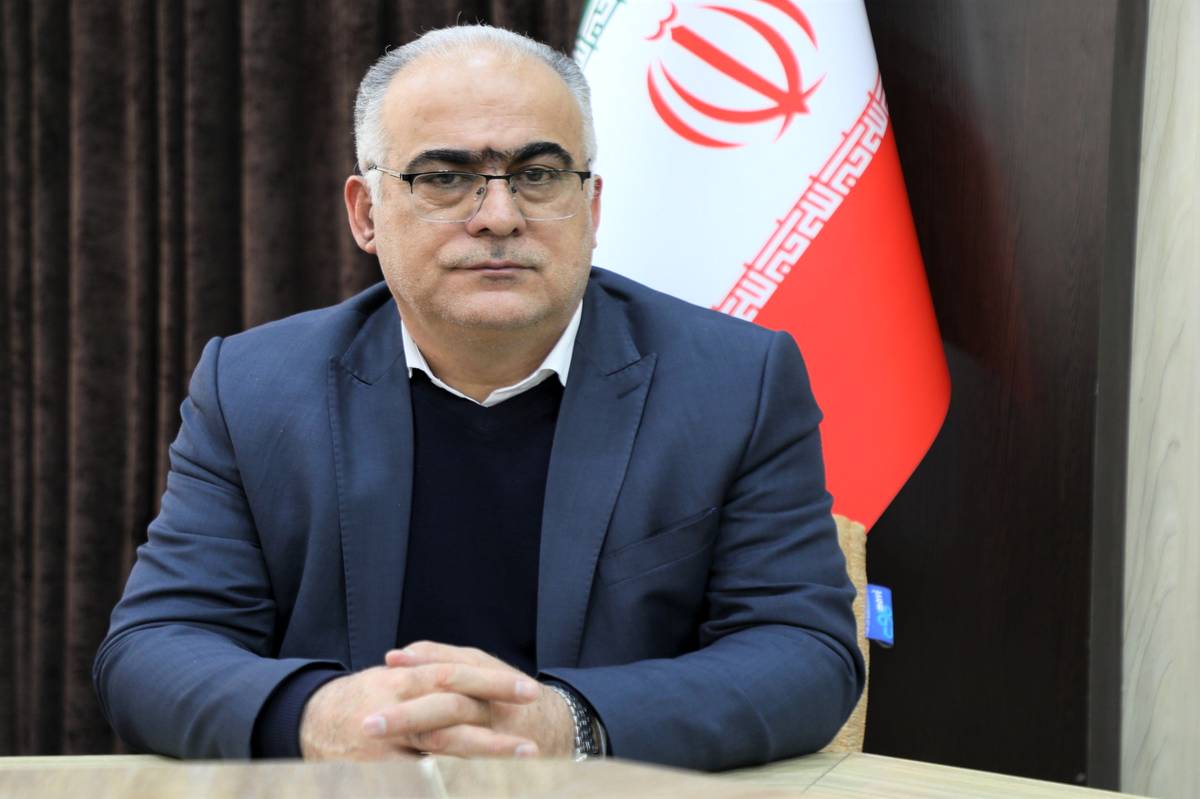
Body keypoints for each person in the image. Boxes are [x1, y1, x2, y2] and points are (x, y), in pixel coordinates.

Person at [93, 25, 863, 770]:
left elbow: (805, 651)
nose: (498, 216)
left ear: (591, 207)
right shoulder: (253, 386)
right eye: (444, 177)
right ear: (366, 213)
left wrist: (573, 725)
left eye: (539, 174)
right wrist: (317, 715)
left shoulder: (735, 381)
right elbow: (153, 646)